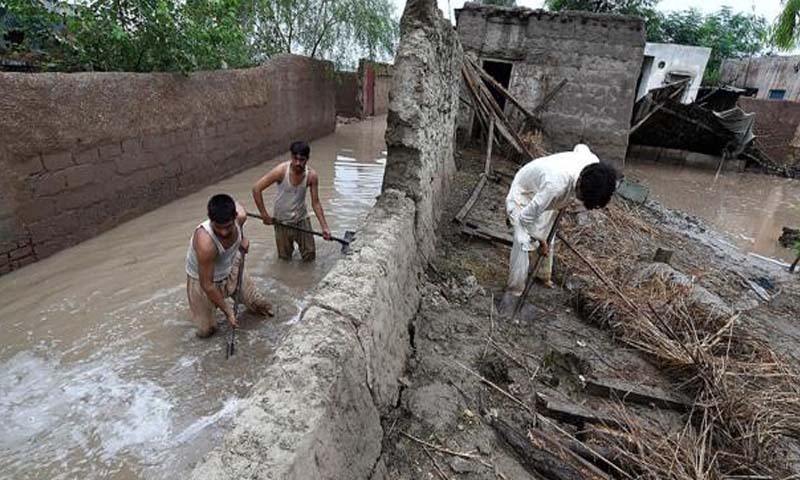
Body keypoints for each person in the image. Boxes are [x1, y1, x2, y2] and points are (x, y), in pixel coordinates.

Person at [505, 144, 618, 297]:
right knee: (523, 240)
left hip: (547, 194)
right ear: (579, 183)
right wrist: (539, 240)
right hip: (524, 192)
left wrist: (543, 240)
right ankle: (514, 291)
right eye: (582, 197)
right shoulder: (554, 186)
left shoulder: (593, 165)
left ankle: (542, 275)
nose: (580, 201)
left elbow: (581, 147)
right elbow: (525, 219)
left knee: (548, 234)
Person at [185, 194, 273, 338]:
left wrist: (242, 238)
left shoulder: (241, 216)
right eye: (218, 228)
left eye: (228, 226)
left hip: (231, 265)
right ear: (210, 220)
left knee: (260, 306)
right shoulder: (205, 243)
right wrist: (228, 311)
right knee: (206, 332)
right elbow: (207, 284)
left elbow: (238, 205)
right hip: (203, 280)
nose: (224, 232)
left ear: (235, 217)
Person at [252, 140, 331, 261]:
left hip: (301, 218)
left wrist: (324, 227)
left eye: (302, 160)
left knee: (310, 254)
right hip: (282, 221)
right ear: (291, 156)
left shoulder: (311, 176)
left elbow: (315, 203)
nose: (298, 163)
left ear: (307, 159)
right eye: (295, 159)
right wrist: (264, 214)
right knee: (284, 258)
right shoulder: (281, 171)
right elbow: (256, 189)